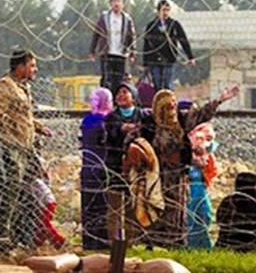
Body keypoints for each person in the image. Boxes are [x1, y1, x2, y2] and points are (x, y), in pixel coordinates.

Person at [141, 85, 238, 248]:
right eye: (168, 103)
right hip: (158, 176)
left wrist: (220, 100)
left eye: (174, 102)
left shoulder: (180, 121)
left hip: (179, 176)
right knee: (159, 208)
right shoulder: (150, 126)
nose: (172, 106)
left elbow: (201, 115)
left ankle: (176, 242)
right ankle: (157, 243)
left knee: (179, 209)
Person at [0, 50, 51, 250]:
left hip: (24, 145)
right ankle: (1, 231)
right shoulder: (5, 86)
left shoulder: (23, 87)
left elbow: (23, 115)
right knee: (10, 186)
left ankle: (20, 232)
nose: (35, 69)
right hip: (9, 145)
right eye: (32, 65)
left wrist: (38, 127)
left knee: (26, 189)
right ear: (20, 67)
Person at [102, 83, 149, 246]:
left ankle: (132, 240)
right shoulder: (111, 117)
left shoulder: (142, 115)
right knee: (115, 205)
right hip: (115, 165)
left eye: (125, 92)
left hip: (136, 166)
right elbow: (112, 134)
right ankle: (114, 241)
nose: (120, 95)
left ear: (134, 97)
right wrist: (122, 128)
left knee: (133, 204)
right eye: (118, 93)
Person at [79, 87, 113, 250]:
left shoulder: (86, 120)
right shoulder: (107, 121)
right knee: (102, 206)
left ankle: (89, 240)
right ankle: (101, 240)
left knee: (88, 206)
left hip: (87, 167)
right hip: (103, 168)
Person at [143, 0, 196, 91]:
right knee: (157, 85)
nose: (165, 13)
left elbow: (183, 40)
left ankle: (168, 104)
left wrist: (190, 56)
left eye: (167, 10)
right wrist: (145, 62)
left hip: (169, 59)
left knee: (168, 85)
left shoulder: (174, 25)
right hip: (154, 60)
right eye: (163, 10)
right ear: (158, 11)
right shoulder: (151, 26)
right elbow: (146, 45)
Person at [89, 0, 136, 93]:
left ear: (122, 4)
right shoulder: (104, 17)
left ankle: (116, 101)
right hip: (106, 52)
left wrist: (132, 53)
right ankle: (105, 100)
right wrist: (92, 51)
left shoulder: (127, 19)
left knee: (118, 80)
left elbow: (132, 36)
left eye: (118, 1)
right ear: (110, 4)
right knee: (106, 78)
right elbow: (96, 34)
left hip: (121, 54)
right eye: (114, 1)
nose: (116, 4)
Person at [186, 122, 218, 249]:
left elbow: (212, 172)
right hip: (189, 190)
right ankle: (189, 246)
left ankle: (203, 246)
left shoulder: (208, 156)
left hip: (201, 190)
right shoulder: (186, 154)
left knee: (204, 216)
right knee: (189, 218)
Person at [215, 172, 256, 251]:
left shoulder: (227, 200)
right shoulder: (252, 204)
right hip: (247, 247)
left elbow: (219, 220)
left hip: (223, 245)